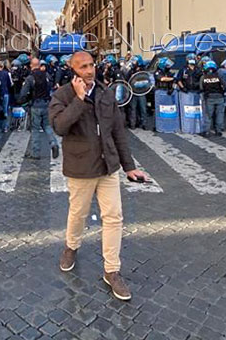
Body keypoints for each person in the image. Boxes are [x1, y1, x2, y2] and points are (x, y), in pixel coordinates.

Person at [49, 51, 149, 302]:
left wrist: (129, 166)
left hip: (108, 165)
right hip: (80, 167)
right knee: (78, 214)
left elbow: (118, 131)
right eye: (83, 67)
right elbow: (59, 127)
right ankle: (71, 246)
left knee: (114, 217)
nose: (89, 70)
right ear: (73, 70)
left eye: (91, 65)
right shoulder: (63, 95)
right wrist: (79, 99)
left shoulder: (105, 92)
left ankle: (111, 270)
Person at [18, 58, 59, 159]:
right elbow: (51, 87)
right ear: (40, 65)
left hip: (35, 105)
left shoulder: (30, 78)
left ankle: (35, 152)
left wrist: (24, 104)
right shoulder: (47, 75)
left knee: (35, 129)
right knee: (47, 126)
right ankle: (53, 143)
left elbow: (23, 94)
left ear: (31, 65)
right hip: (46, 104)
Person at [199, 60, 226, 137]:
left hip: (209, 98)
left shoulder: (203, 77)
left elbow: (201, 88)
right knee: (219, 114)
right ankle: (218, 131)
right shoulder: (219, 76)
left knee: (208, 115)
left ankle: (207, 131)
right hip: (220, 97)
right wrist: (222, 92)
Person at [126, 56, 150, 130]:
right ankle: (133, 124)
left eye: (134, 61)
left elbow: (147, 80)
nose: (133, 62)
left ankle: (144, 124)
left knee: (143, 109)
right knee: (133, 109)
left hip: (142, 92)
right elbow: (128, 81)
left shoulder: (143, 70)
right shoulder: (131, 71)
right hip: (133, 93)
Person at [0, 60, 13, 133]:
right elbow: (10, 84)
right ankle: (4, 127)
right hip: (5, 93)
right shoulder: (6, 73)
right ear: (2, 66)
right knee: (5, 110)